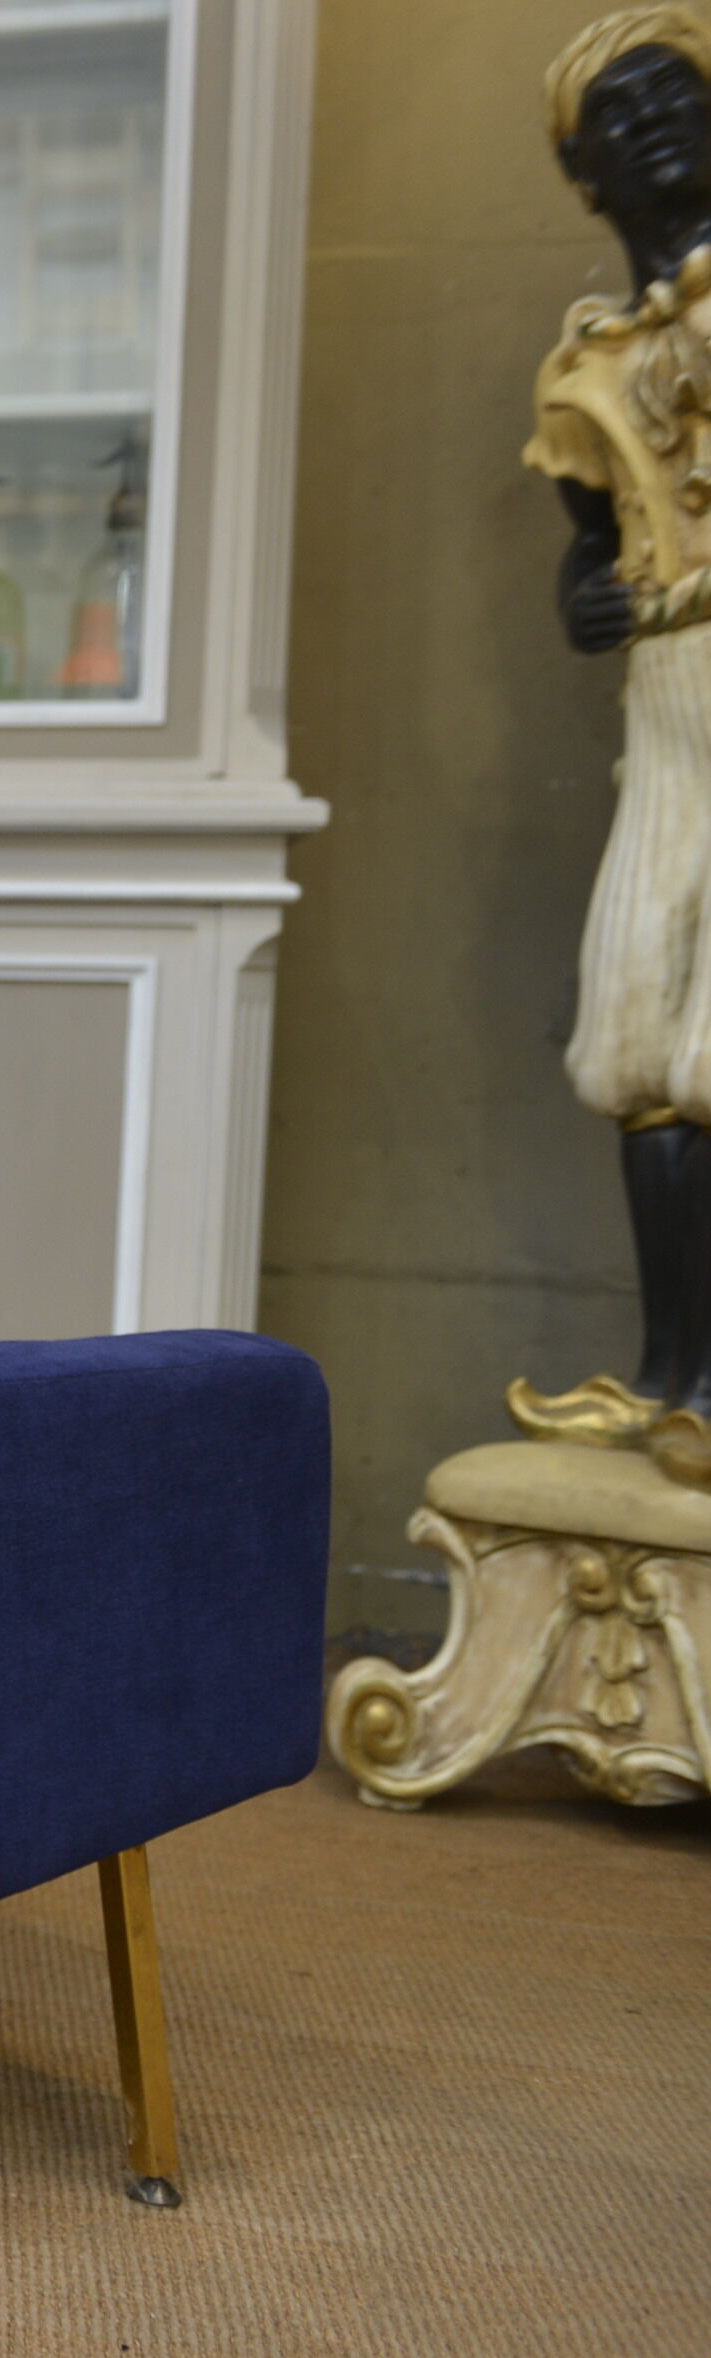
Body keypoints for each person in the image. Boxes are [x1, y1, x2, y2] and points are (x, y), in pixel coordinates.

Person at [526, 10, 711, 1433]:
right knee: (640, 1032)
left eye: (679, 96)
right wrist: (586, 589)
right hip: (664, 697)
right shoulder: (585, 366)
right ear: (586, 176)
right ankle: (676, 1381)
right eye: (622, 117)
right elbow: (594, 542)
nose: (656, 125)